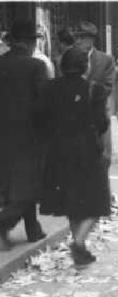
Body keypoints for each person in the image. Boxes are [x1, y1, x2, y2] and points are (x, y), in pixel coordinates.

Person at [38, 47, 110, 266]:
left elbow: (40, 118)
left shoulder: (49, 88)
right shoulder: (94, 90)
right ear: (85, 67)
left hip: (58, 150)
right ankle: (78, 242)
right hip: (86, 150)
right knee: (97, 202)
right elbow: (102, 123)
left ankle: (79, 244)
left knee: (71, 199)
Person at [0, 19, 48, 250]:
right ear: (29, 43)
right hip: (29, 135)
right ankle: (2, 224)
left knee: (17, 184)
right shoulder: (36, 67)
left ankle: (33, 228)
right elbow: (44, 105)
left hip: (3, 136)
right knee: (29, 187)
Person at [73, 21, 115, 166]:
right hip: (76, 116)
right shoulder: (67, 57)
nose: (77, 41)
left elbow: (108, 86)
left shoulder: (105, 60)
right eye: (76, 37)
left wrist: (87, 91)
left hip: (98, 114)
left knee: (102, 158)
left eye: (82, 37)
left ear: (91, 40)